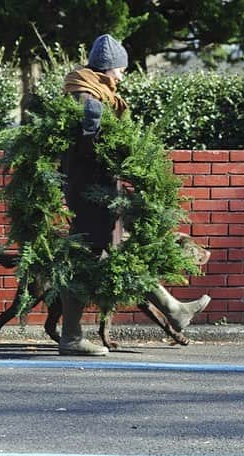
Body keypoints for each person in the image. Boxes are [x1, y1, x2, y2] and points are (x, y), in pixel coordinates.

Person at [59, 34, 209, 356]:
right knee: (85, 260)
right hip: (90, 196)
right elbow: (88, 147)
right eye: (121, 70)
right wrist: (93, 132)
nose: (122, 76)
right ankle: (70, 337)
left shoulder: (96, 93)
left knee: (122, 252)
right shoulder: (86, 96)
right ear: (109, 68)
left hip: (102, 193)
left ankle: (173, 309)